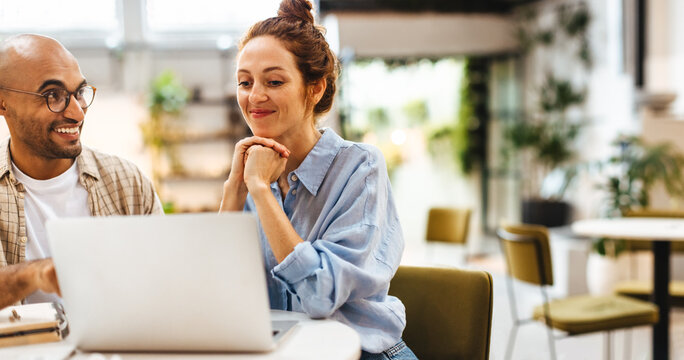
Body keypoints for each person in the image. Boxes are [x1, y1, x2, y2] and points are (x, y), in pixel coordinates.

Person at [219, 1, 417, 358]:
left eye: (274, 81)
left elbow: (319, 297)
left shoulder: (360, 168)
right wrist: (234, 191)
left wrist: (261, 193)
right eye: (244, 82)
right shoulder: (253, 173)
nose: (255, 96)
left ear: (315, 88)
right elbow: (214, 295)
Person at [0, 34, 163, 310]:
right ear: (3, 103)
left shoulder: (128, 183)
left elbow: (166, 285)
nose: (77, 113)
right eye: (53, 95)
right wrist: (33, 275)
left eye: (79, 93)